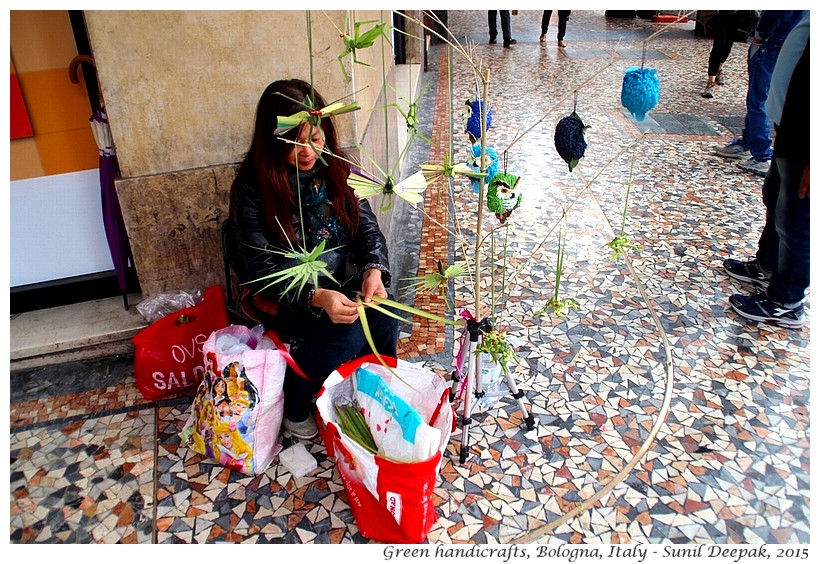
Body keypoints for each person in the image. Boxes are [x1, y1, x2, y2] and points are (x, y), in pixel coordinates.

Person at [228, 79, 399, 440]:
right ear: (273, 140)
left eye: (316, 139)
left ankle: (376, 386)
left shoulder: (336, 170)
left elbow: (367, 229)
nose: (307, 151)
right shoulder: (251, 190)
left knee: (384, 311)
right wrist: (316, 297)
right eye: (294, 141)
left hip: (339, 282)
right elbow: (261, 273)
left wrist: (373, 270)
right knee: (348, 330)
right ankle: (294, 402)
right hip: (285, 296)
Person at [724, 12, 809, 329]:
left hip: (804, 141)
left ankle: (787, 300)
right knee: (774, 196)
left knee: (797, 219)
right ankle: (769, 264)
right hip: (790, 130)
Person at [713, 11, 806, 177]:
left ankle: (762, 155)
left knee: (758, 100)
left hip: (771, 42)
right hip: (783, 40)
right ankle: (749, 142)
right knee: (758, 97)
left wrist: (762, 33)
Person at [702, 10, 741, 98]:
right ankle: (710, 82)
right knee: (719, 45)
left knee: (727, 46)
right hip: (717, 14)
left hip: (735, 14)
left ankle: (719, 69)